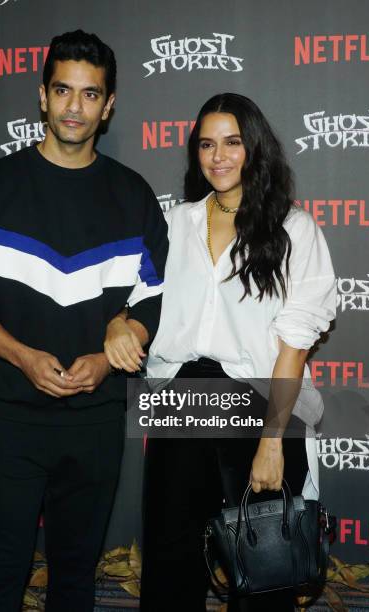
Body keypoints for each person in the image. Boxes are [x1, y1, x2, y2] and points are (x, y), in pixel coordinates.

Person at [0, 29, 168, 612]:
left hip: (95, 419)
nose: (74, 107)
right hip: (5, 415)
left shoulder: (133, 197)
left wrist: (120, 340)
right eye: (64, 90)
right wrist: (22, 356)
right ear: (42, 95)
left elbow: (154, 297)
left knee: (75, 574)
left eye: (90, 95)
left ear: (108, 106)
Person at [104, 93, 336, 611]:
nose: (219, 156)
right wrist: (117, 323)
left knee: (265, 569)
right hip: (180, 398)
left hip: (261, 400)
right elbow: (130, 297)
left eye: (232, 142)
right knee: (170, 562)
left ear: (256, 148)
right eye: (206, 144)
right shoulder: (173, 223)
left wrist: (272, 442)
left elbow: (294, 347)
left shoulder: (295, 230)